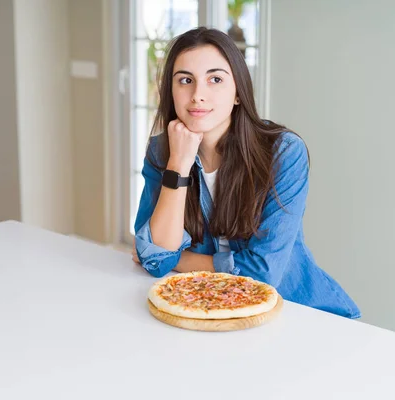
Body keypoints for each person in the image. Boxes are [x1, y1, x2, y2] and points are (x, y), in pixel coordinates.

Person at [132, 27, 360, 319]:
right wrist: (178, 163)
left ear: (238, 92)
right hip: (210, 311)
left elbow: (262, 273)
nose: (197, 95)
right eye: (185, 80)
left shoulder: (283, 152)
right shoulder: (161, 152)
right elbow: (155, 261)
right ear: (171, 92)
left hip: (298, 313)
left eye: (215, 79)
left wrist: (182, 259)